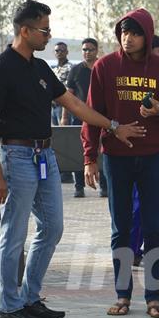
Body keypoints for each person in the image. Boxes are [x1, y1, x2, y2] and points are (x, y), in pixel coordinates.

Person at [0, 0, 144, 318]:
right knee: (13, 234)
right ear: (24, 30)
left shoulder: (40, 69)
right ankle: (9, 309)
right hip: (17, 157)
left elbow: (74, 104)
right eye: (44, 30)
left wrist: (112, 126)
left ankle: (29, 298)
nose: (48, 36)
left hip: (45, 158)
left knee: (52, 228)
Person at [81, 8, 159, 318]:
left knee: (154, 227)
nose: (128, 38)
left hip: (153, 158)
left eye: (135, 33)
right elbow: (90, 114)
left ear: (147, 36)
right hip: (117, 159)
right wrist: (89, 158)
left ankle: (153, 297)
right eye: (124, 32)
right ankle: (122, 295)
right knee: (120, 228)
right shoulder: (104, 67)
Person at [65, 38, 107, 198]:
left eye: (90, 49)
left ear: (96, 50)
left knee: (101, 150)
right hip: (79, 117)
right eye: (84, 49)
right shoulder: (76, 70)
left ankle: (104, 186)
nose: (87, 52)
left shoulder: (102, 68)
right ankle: (79, 187)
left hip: (99, 117)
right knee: (79, 151)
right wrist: (64, 117)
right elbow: (69, 95)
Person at [51, 41, 71, 126]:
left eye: (62, 50)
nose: (59, 52)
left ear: (67, 52)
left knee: (63, 135)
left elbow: (69, 91)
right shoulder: (53, 69)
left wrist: (64, 115)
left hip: (63, 107)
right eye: (57, 50)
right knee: (54, 135)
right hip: (53, 107)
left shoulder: (70, 68)